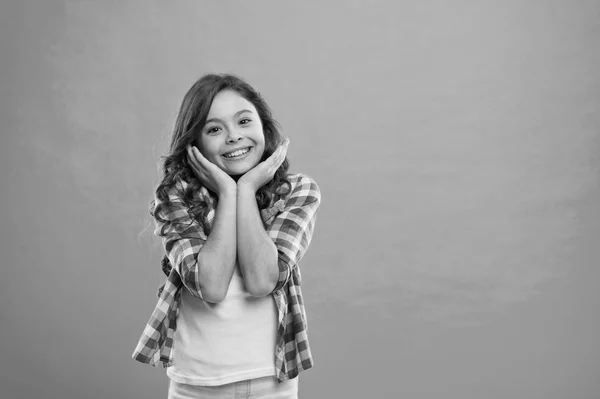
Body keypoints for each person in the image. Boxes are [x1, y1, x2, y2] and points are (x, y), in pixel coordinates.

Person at [132, 73, 321, 399]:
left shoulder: (297, 192)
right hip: (196, 383)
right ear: (195, 143)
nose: (234, 137)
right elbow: (211, 286)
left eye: (244, 121)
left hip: (272, 381)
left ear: (263, 127)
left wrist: (245, 189)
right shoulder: (174, 198)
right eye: (215, 129)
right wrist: (227, 193)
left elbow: (263, 280)